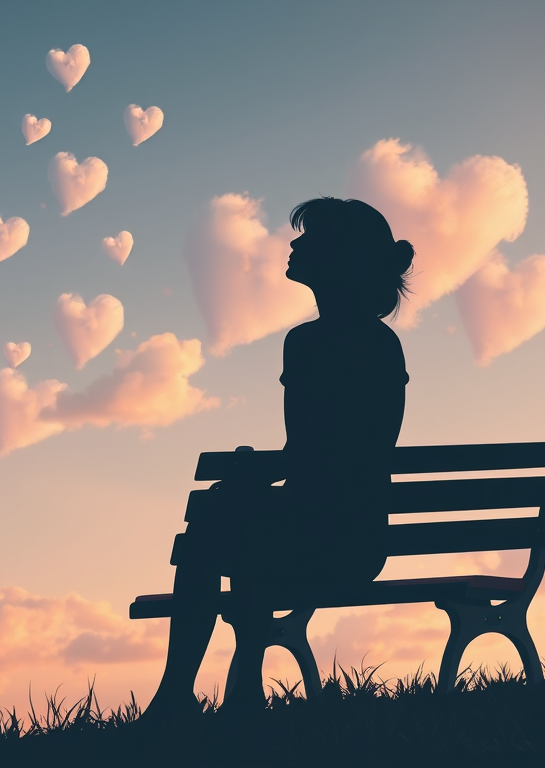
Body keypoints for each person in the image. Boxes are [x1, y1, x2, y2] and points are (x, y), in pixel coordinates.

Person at [143, 197, 415, 720]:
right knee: (234, 521)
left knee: (215, 525)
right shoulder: (383, 344)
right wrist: (266, 476)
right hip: (359, 539)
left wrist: (256, 477)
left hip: (322, 542)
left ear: (339, 259)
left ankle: (181, 694)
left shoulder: (309, 343)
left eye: (309, 239)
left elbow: (313, 457)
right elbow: (339, 453)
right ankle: (239, 688)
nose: (294, 245)